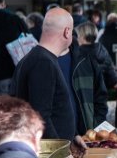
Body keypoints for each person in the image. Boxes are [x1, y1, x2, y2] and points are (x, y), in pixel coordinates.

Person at [11, 7, 76, 140]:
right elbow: (40, 116)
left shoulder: (37, 58)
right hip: (48, 155)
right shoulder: (43, 62)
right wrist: (59, 150)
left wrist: (72, 139)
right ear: (67, 32)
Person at [71, 22, 112, 134]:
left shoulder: (78, 58)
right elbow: (112, 78)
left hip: (85, 114)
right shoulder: (103, 51)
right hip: (101, 105)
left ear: (81, 36)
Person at [76, 21, 117, 90]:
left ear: (82, 37)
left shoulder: (78, 53)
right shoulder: (102, 49)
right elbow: (112, 76)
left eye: (78, 35)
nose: (76, 38)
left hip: (84, 95)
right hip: (102, 93)